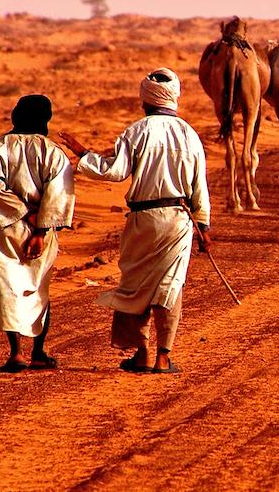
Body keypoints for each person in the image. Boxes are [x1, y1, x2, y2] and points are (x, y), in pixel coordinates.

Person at [56, 68, 211, 374]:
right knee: (170, 286)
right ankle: (163, 357)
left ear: (145, 100)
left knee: (135, 285)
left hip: (143, 218)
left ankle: (140, 353)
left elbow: (114, 172)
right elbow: (199, 186)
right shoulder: (190, 135)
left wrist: (83, 153)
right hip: (179, 220)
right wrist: (203, 226)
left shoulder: (136, 131)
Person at [0, 95, 75, 373]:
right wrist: (41, 228)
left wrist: (23, 214)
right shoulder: (53, 152)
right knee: (38, 290)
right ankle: (38, 352)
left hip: (6, 226)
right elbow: (59, 193)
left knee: (8, 288)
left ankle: (16, 354)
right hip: (41, 231)